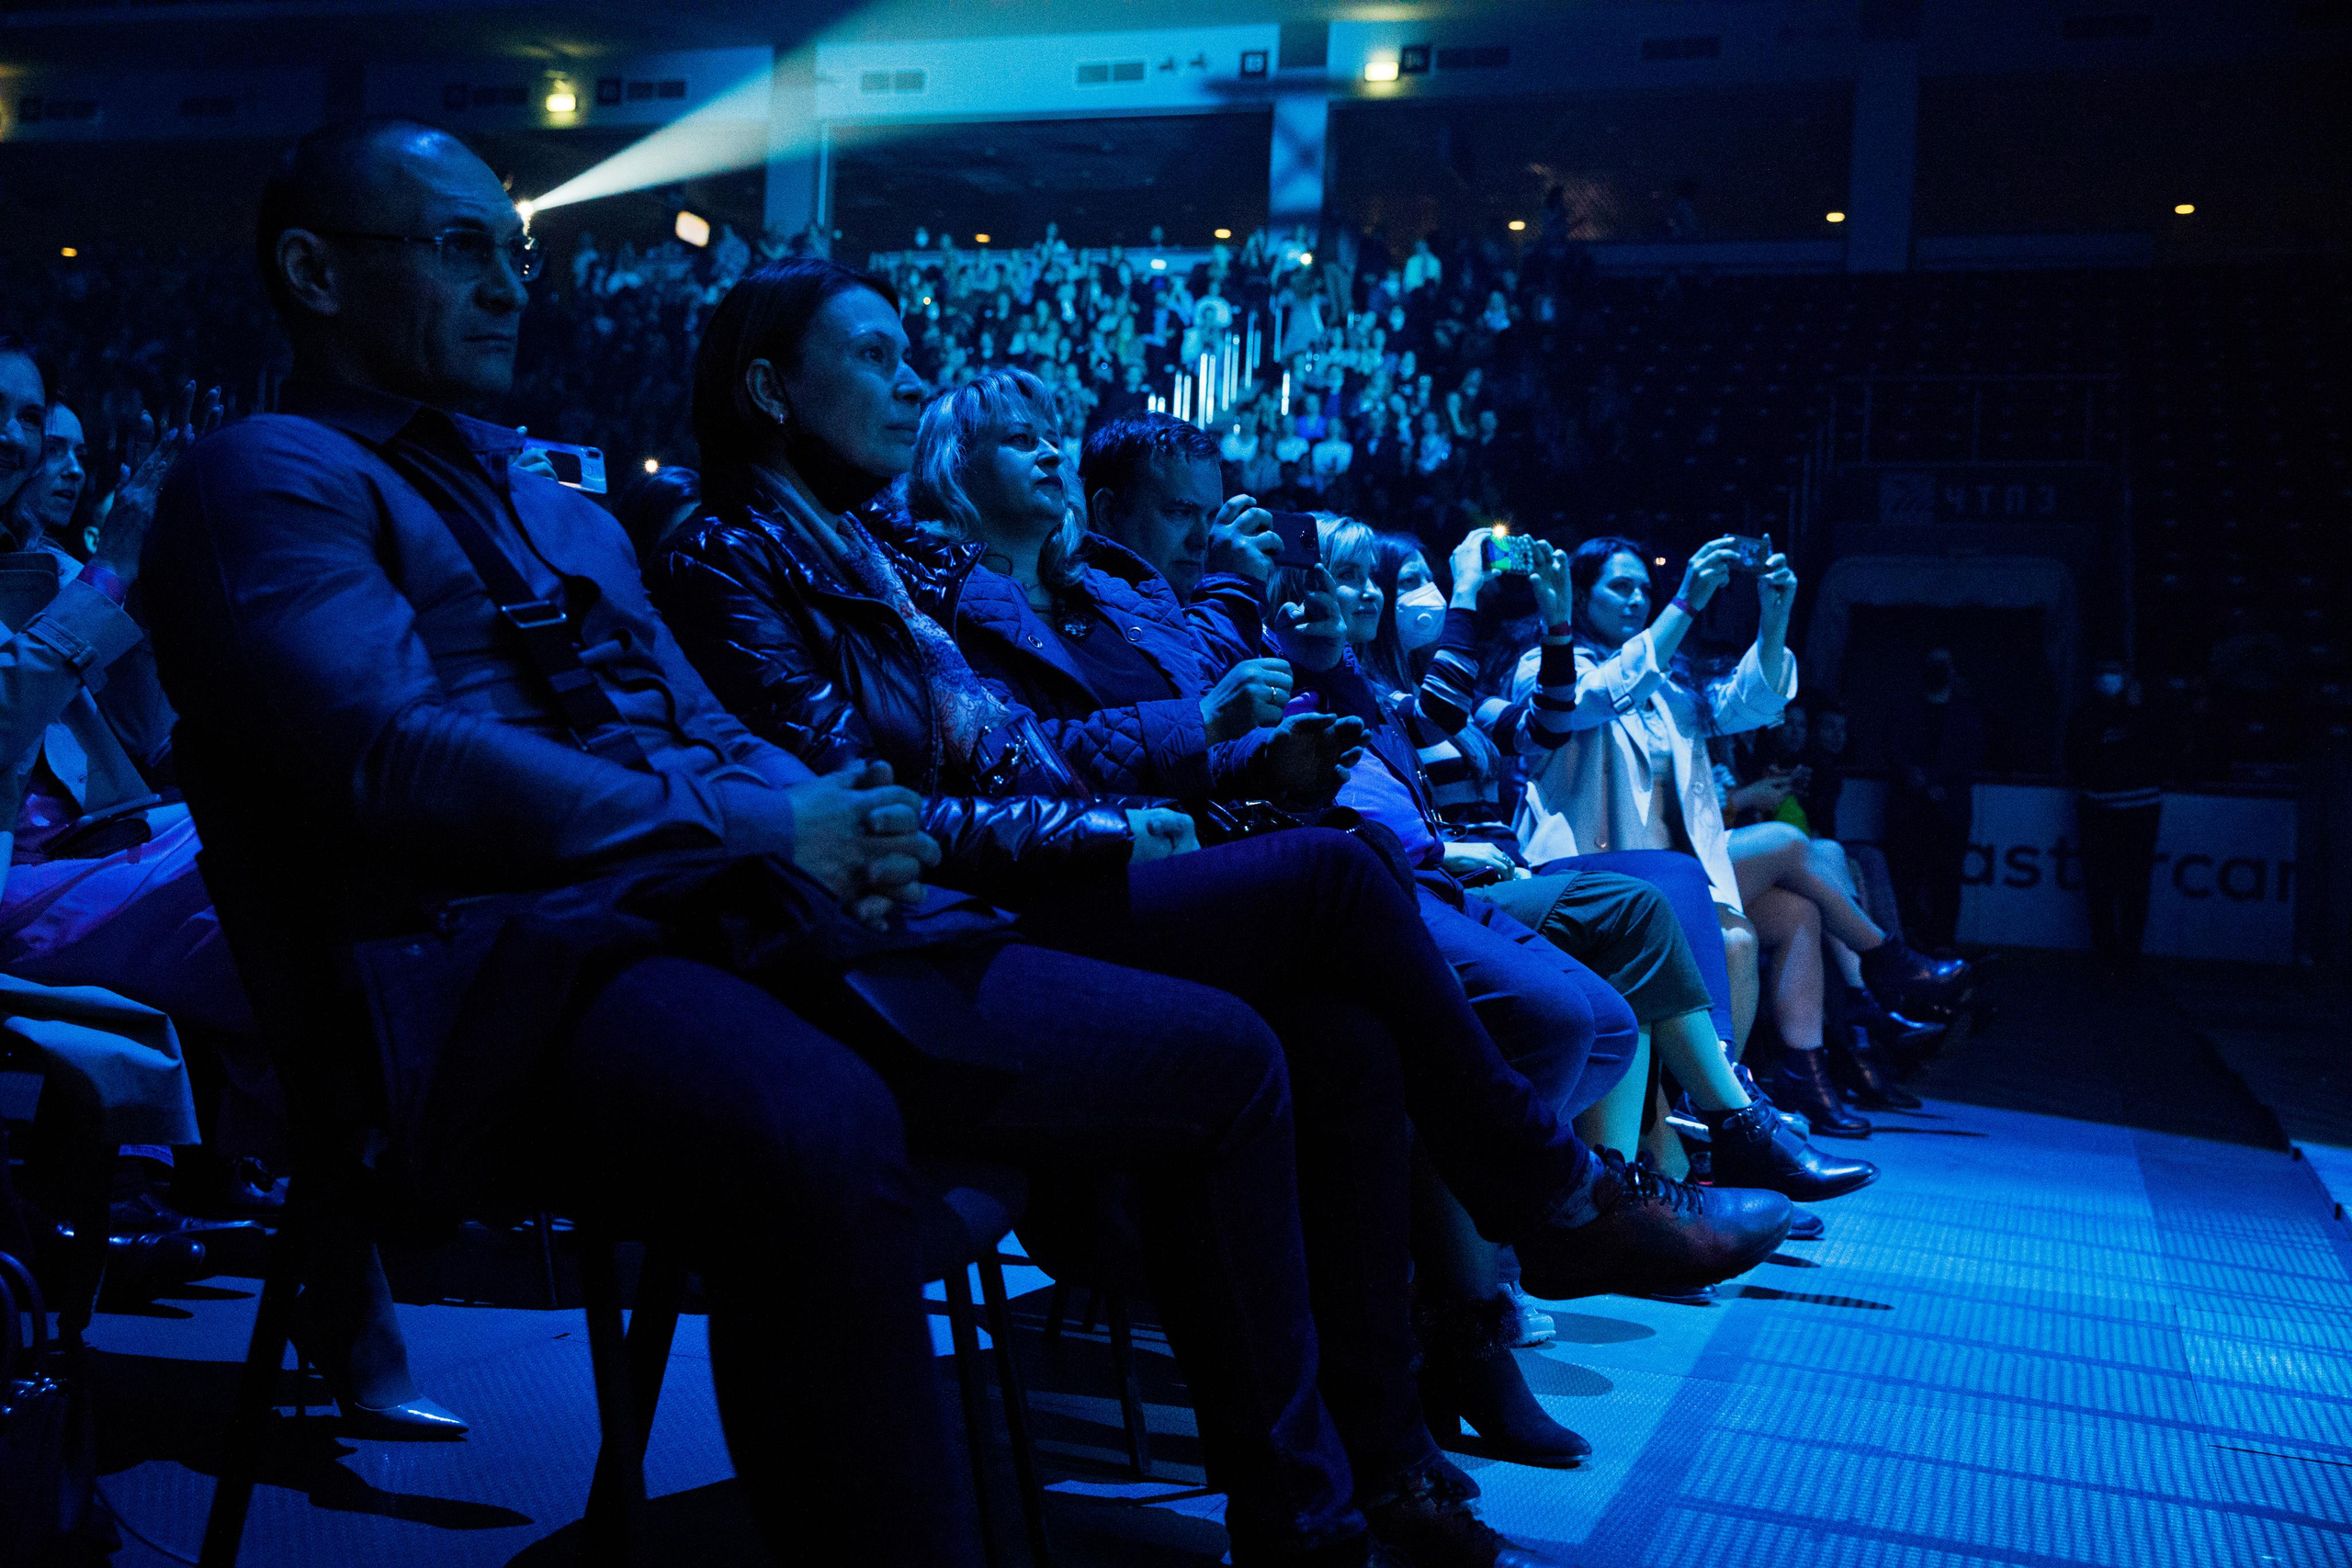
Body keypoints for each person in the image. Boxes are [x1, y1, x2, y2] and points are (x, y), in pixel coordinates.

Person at [149, 120, 1389, 1568]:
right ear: (311, 270)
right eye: (457, 248)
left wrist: (863, 831)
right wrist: (762, 818)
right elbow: (391, 756)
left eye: (514, 251)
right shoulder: (264, 476)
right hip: (494, 973)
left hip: (728, 917)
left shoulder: (563, 510)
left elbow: (710, 734)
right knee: (826, 1124)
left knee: (1229, 1054)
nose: (506, 286)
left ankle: (1316, 1537)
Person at [649, 321, 1785, 1555]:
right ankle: (1555, 1208)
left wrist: (1219, 756)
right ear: (779, 389)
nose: (915, 379)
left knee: (1350, 1035)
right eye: (878, 358)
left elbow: (1041, 751)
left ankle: (1377, 1463)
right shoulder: (844, 566)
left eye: (1051, 434)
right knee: (1365, 898)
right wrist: (1134, 809)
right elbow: (866, 797)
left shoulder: (917, 560)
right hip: (963, 913)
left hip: (1103, 860)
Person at [1510, 536, 1968, 1135]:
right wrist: (1685, 605)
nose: (1635, 599)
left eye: (1643, 590)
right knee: (1790, 842)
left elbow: (1749, 704)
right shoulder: (1551, 664)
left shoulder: (1671, 684)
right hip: (1591, 869)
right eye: (1619, 587)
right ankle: (1880, 968)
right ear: (1578, 591)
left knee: (1784, 918)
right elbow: (1591, 699)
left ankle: (1789, 1078)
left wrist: (1775, 614)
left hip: (1681, 869)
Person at [2066, 660, 2165, 976]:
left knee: (2134, 883)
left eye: (2114, 672)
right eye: (2102, 672)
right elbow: (2075, 757)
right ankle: (2106, 951)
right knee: (2099, 884)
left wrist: (2136, 711)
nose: (2107, 678)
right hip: (2098, 808)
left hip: (2139, 808)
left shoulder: (2147, 713)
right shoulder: (2085, 715)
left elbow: (2159, 748)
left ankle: (2129, 953)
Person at [1886, 646, 1984, 951]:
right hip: (1909, 811)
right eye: (1933, 664)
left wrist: (1940, 783)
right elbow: (1893, 749)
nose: (1939, 670)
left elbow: (1972, 756)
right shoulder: (1905, 709)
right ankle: (1909, 945)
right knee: (1905, 882)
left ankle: (1942, 947)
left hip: (1950, 811)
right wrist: (1911, 775)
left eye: (1944, 664)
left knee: (1947, 884)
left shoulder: (1967, 713)